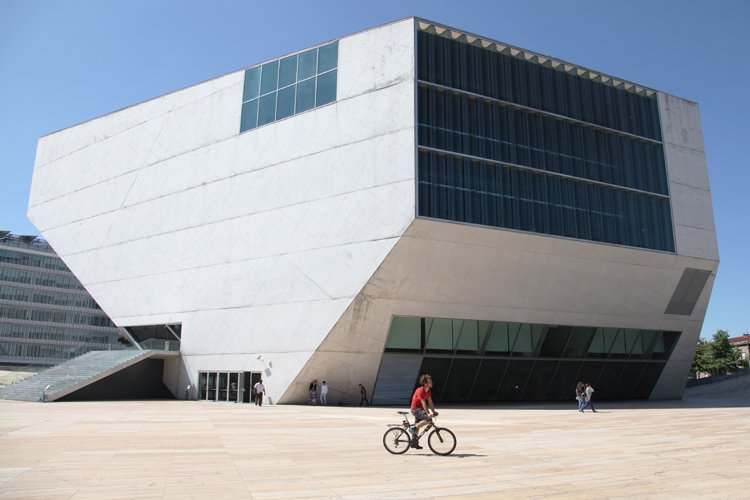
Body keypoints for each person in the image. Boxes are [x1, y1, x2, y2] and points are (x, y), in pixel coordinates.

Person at [407, 374, 438, 449]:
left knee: (418, 425)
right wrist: (428, 413)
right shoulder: (420, 390)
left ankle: (414, 443)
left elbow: (430, 402)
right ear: (425, 383)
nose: (431, 383)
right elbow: (423, 403)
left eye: (431, 382)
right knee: (428, 419)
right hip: (415, 409)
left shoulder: (428, 391)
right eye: (429, 382)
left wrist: (434, 411)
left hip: (420, 409)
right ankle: (412, 429)